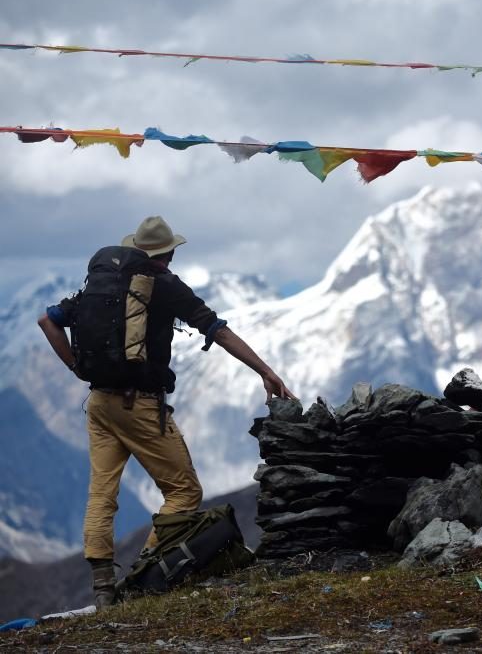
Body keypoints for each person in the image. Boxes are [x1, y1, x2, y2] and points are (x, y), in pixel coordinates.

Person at [37, 216, 295, 608]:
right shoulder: (166, 286)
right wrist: (266, 371)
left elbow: (47, 322)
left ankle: (104, 586)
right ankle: (145, 572)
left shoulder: (103, 284)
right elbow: (218, 331)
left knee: (102, 491)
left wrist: (76, 367)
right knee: (184, 490)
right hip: (139, 405)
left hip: (100, 403)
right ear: (168, 253)